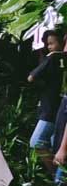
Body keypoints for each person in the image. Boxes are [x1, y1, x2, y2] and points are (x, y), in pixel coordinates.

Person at [27, 30, 65, 172]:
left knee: (37, 142)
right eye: (47, 44)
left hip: (51, 109)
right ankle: (58, 181)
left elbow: (31, 77)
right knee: (56, 144)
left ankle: (53, 174)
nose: (49, 47)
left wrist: (49, 58)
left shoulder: (54, 59)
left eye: (51, 43)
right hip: (57, 107)